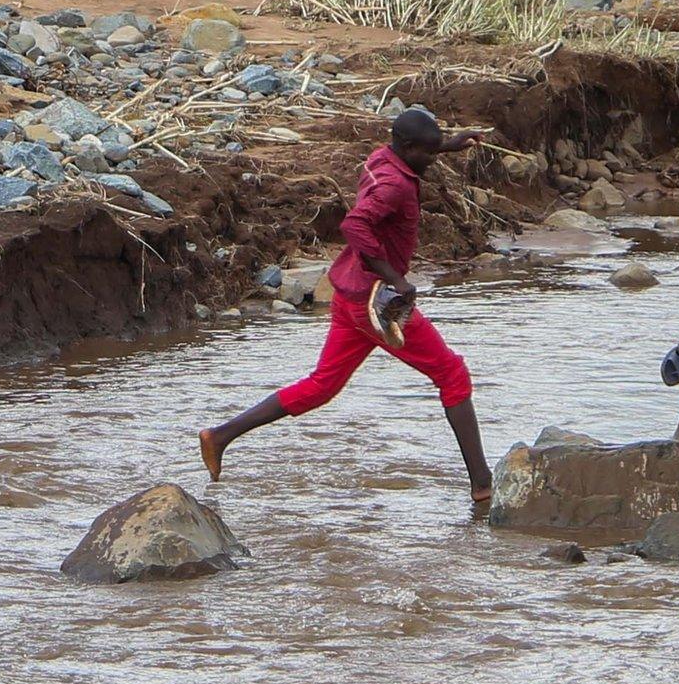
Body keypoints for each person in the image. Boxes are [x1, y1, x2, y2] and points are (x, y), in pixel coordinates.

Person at [198, 110, 494, 502]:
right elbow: (354, 225)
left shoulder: (382, 158)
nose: (431, 159)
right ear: (407, 148)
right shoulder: (395, 186)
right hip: (376, 304)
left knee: (322, 386)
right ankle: (483, 485)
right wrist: (395, 277)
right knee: (452, 374)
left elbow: (403, 164)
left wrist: (448, 144)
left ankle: (220, 436)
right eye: (428, 152)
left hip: (348, 294)